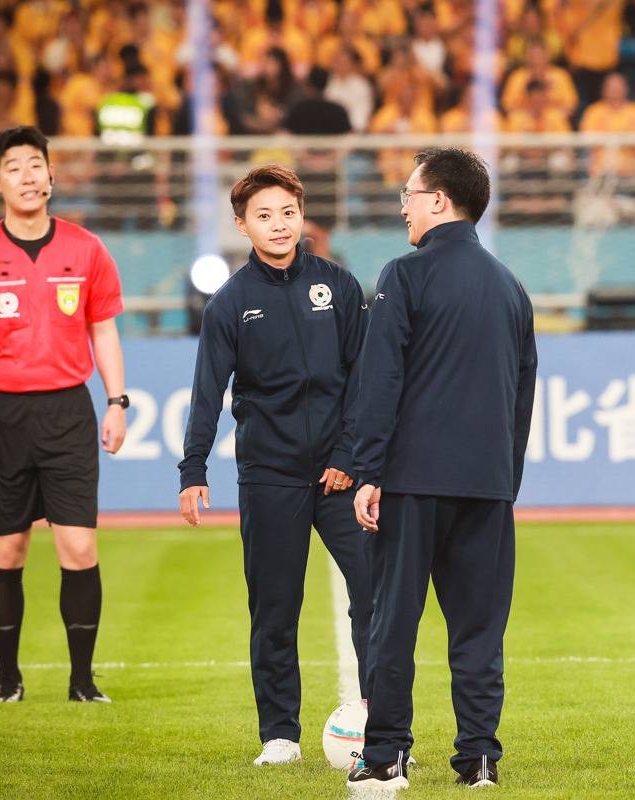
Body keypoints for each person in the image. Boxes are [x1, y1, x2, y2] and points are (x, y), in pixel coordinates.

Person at [346, 148, 537, 791]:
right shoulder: (510, 287)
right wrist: (504, 480)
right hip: (487, 486)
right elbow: (522, 396)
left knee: (393, 625)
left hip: (412, 482)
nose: (403, 205)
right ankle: (479, 758)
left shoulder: (404, 275)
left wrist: (368, 470)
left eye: (409, 193)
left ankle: (386, 755)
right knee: (479, 630)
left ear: (438, 200)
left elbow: (380, 379)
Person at [177, 165, 373, 766]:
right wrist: (193, 469)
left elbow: (366, 379)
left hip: (342, 478)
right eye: (264, 215)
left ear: (302, 215)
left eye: (288, 212)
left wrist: (349, 457)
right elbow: (207, 392)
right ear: (242, 226)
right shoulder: (231, 303)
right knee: (274, 608)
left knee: (376, 592)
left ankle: (384, 725)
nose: (280, 224)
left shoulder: (339, 286)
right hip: (270, 475)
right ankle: (280, 735)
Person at [0, 125, 127, 704]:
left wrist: (117, 401)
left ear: (51, 174)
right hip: (2, 415)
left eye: (35, 164)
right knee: (6, 551)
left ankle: (82, 682)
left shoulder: (86, 248)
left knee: (80, 549)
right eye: (14, 167)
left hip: (69, 411)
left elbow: (103, 330)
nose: (27, 176)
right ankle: (8, 679)